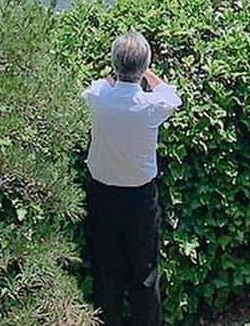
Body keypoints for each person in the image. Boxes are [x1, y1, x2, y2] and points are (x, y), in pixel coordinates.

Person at [82, 32, 181, 326]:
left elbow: (98, 86)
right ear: (144, 67)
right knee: (144, 276)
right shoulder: (150, 107)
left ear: (114, 65)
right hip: (140, 201)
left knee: (106, 274)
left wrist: (118, 73)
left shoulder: (96, 98)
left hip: (101, 197)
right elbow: (172, 95)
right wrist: (147, 71)